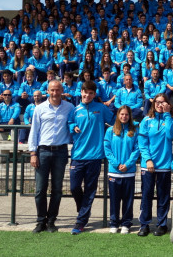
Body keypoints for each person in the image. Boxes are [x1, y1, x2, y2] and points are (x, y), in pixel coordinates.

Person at [68, 80, 116, 235]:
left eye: (90, 93)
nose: (87, 95)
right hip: (77, 155)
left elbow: (114, 121)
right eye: (85, 92)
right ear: (80, 92)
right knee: (74, 187)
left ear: (94, 94)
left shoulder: (101, 108)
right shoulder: (75, 110)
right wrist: (72, 127)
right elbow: (69, 122)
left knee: (90, 189)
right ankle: (83, 210)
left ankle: (80, 221)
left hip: (95, 156)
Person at [29, 81, 74, 233]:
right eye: (52, 90)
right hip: (43, 152)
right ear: (47, 91)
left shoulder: (69, 107)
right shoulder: (40, 108)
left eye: (57, 90)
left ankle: (51, 221)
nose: (55, 93)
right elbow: (34, 131)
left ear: (62, 91)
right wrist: (33, 153)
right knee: (40, 189)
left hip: (60, 151)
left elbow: (73, 125)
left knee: (57, 189)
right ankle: (41, 220)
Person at [137, 94, 173, 237]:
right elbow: (142, 143)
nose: (159, 105)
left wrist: (167, 115)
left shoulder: (171, 120)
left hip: (164, 165)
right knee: (146, 195)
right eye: (157, 102)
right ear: (153, 104)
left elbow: (170, 135)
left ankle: (162, 224)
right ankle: (144, 224)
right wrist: (148, 160)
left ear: (168, 104)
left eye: (163, 102)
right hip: (148, 166)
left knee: (163, 196)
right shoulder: (146, 121)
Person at [104, 106, 140, 234]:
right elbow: (107, 150)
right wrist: (117, 164)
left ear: (130, 116)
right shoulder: (110, 131)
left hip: (128, 172)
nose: (124, 117)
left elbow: (136, 150)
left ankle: (126, 223)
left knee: (128, 200)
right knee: (114, 200)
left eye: (126, 115)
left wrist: (128, 164)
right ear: (118, 115)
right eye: (122, 114)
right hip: (114, 171)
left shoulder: (134, 131)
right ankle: (114, 223)